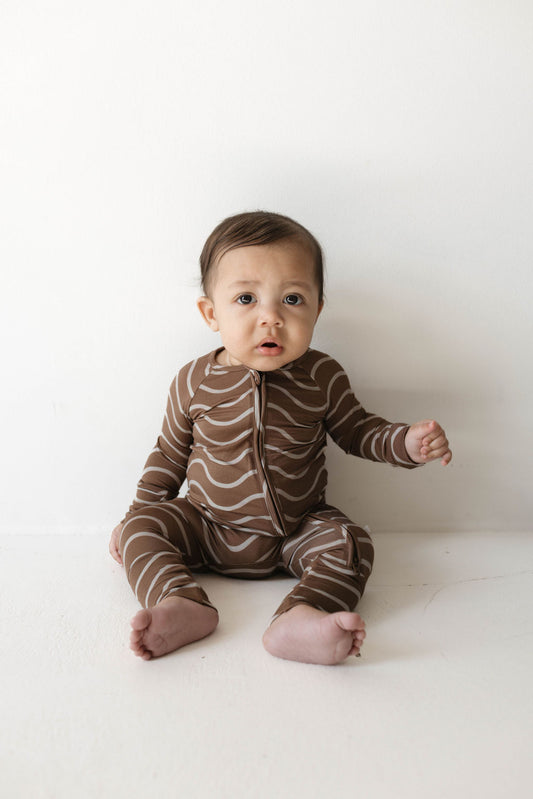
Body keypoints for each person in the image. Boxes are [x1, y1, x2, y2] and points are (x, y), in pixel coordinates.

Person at [109, 211, 452, 665]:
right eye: (246, 298)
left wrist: (406, 443)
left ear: (317, 308)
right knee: (140, 529)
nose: (270, 317)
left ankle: (302, 616)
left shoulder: (322, 375)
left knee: (351, 542)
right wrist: (137, 513)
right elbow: (169, 456)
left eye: (292, 299)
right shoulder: (193, 381)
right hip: (206, 526)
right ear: (211, 313)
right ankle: (180, 603)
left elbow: (357, 430)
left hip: (297, 529)